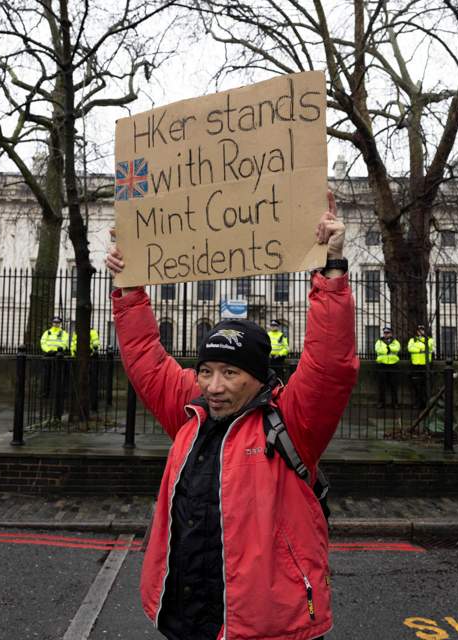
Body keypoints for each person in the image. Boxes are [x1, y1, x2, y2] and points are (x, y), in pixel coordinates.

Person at [106, 190, 358, 640]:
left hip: (263, 624)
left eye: (230, 372)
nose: (214, 385)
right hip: (185, 615)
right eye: (205, 371)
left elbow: (329, 364)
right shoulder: (192, 412)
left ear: (259, 378)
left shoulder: (292, 422)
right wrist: (129, 287)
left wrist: (331, 271)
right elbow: (146, 355)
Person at [39, 316, 69, 398]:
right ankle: (45, 393)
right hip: (48, 355)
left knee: (58, 375)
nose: (56, 324)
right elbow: (43, 343)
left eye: (58, 323)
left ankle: (59, 393)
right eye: (55, 322)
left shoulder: (63, 333)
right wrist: (48, 350)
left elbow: (64, 343)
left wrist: (57, 351)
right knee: (46, 375)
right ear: (52, 323)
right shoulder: (47, 332)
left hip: (58, 355)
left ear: (60, 324)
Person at [408, 325, 434, 412]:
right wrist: (420, 350)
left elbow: (428, 347)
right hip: (415, 364)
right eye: (419, 330)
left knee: (426, 385)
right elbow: (410, 348)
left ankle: (427, 403)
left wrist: (417, 347)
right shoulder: (413, 339)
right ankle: (418, 403)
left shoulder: (429, 340)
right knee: (417, 385)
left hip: (426, 365)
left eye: (422, 330)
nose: (420, 332)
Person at [374, 327, 400, 409]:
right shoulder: (379, 341)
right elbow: (378, 349)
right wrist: (388, 350)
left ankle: (395, 403)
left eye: (387, 333)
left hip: (393, 365)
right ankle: (381, 402)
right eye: (384, 333)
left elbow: (397, 348)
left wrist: (387, 348)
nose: (385, 335)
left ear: (391, 334)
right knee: (381, 385)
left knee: (394, 385)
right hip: (382, 364)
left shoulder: (395, 342)